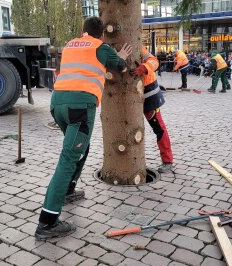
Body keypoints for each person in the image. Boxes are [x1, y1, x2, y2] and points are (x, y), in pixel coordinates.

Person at [35, 17, 132, 240]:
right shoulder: (102, 47)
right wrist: (122, 58)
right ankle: (47, 223)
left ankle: (68, 190)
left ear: (82, 31)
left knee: (82, 147)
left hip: (58, 105)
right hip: (80, 107)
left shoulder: (70, 45)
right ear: (102, 34)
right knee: (68, 159)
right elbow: (121, 67)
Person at [131, 47, 173, 173]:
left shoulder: (139, 47)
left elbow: (154, 61)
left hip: (149, 94)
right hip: (132, 96)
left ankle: (167, 160)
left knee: (158, 127)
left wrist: (144, 67)